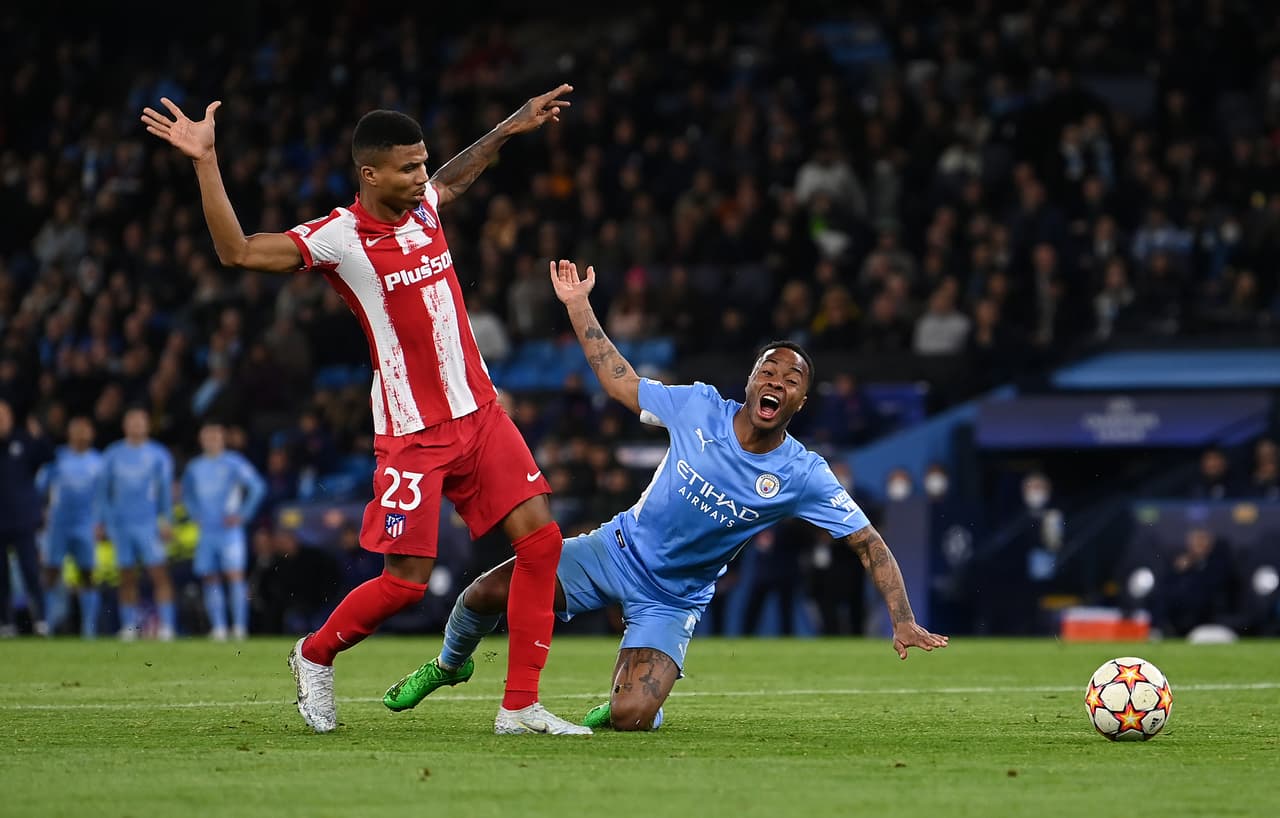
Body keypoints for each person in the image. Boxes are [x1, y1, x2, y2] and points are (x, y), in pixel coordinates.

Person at [141, 85, 591, 735]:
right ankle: (314, 654)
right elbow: (237, 251)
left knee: (542, 542)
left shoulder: (426, 207)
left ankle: (519, 706)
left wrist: (511, 128)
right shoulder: (341, 238)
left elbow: (454, 177)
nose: (421, 178)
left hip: (481, 413)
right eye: (408, 168)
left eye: (422, 164)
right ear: (369, 173)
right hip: (413, 433)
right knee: (406, 583)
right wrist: (205, 162)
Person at [383, 261, 948, 731]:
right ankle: (448, 665)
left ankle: (626, 700)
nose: (777, 380)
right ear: (749, 383)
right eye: (767, 370)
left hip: (673, 600)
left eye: (791, 378)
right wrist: (579, 303)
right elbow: (620, 380)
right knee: (485, 593)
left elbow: (868, 542)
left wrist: (901, 618)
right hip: (614, 551)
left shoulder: (803, 473)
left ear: (800, 402)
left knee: (629, 717)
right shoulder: (699, 406)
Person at [181, 421, 267, 640]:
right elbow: (187, 494)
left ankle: (239, 628)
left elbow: (257, 487)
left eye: (215, 436)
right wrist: (194, 515)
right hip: (207, 531)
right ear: (201, 440)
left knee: (234, 576)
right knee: (210, 577)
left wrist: (243, 514)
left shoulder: (234, 463)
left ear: (222, 438)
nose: (211, 440)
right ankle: (219, 628)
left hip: (230, 531)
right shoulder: (195, 467)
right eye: (207, 436)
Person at [96, 408, 177, 640]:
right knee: (126, 576)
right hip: (121, 526)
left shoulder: (159, 454)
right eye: (132, 421)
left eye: (140, 421)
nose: (136, 425)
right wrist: (103, 521)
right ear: (125, 425)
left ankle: (167, 626)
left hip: (149, 524)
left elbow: (165, 493)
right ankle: (129, 627)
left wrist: (166, 520)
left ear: (147, 425)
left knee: (159, 573)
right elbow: (103, 493)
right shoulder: (113, 454)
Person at [36, 416, 105, 638]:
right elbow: (40, 487)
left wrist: (100, 522)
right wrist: (41, 513)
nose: (81, 434)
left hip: (86, 525)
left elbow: (104, 496)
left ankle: (89, 629)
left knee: (87, 574)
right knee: (51, 572)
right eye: (77, 429)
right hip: (58, 525)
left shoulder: (98, 461)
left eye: (85, 429)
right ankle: (45, 624)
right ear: (69, 433)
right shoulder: (56, 458)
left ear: (92, 433)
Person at [0, 400, 53, 636]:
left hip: (22, 520)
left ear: (11, 417)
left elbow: (48, 456)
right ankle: (5, 623)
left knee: (31, 571)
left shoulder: (22, 441)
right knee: (1, 577)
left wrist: (38, 434)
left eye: (3, 414)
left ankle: (41, 620)